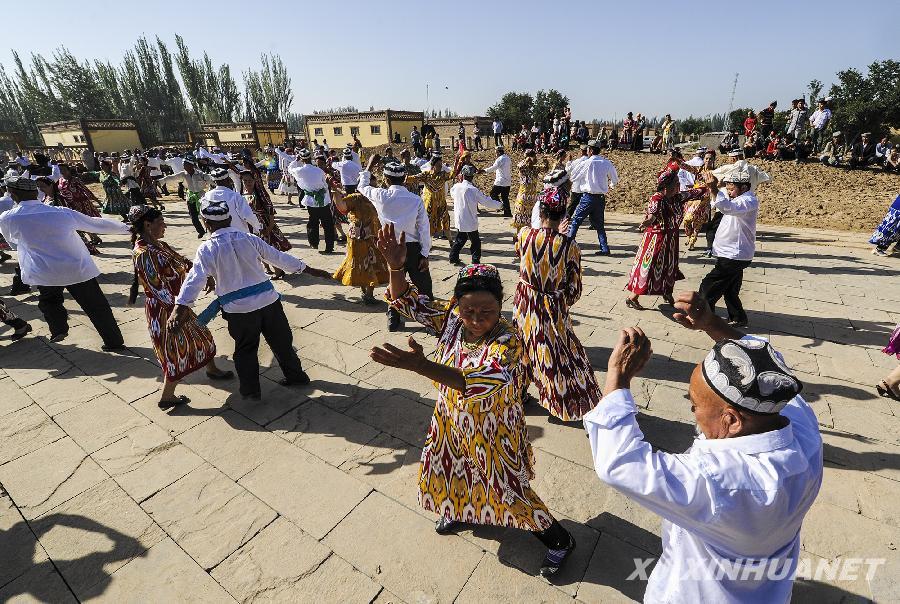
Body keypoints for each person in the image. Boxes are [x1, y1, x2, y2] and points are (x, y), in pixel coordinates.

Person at [585, 291, 822, 603]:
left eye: (694, 406)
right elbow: (767, 363)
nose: (693, 413)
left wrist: (617, 380)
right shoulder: (801, 431)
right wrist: (713, 325)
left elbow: (620, 465)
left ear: (732, 420)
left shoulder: (717, 482)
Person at [371, 226, 576, 578]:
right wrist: (395, 267)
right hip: (451, 421)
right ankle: (460, 509)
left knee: (507, 486)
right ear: (457, 307)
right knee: (451, 472)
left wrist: (423, 366)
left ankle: (558, 539)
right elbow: (408, 301)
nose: (477, 319)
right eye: (469, 311)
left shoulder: (509, 340)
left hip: (492, 429)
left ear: (501, 307)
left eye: (487, 311)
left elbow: (480, 380)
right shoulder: (451, 321)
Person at [169, 197, 332, 400]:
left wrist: (180, 306)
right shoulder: (249, 238)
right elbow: (279, 258)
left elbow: (195, 279)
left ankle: (251, 390)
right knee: (282, 343)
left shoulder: (207, 249)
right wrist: (309, 269)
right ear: (229, 220)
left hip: (239, 311)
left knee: (245, 350)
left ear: (206, 223)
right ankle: (296, 376)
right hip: (269, 302)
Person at [0, 176, 129, 347]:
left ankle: (59, 329)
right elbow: (95, 224)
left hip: (45, 271)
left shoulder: (8, 218)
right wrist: (129, 229)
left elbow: (13, 243)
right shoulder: (60, 212)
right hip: (77, 268)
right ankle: (114, 342)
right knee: (97, 307)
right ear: (35, 192)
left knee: (49, 302)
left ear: (12, 194)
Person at [127, 205, 234, 409]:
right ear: (147, 225)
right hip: (165, 311)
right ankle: (167, 396)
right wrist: (179, 310)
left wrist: (205, 276)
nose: (164, 226)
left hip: (176, 306)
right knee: (175, 351)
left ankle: (211, 369)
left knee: (202, 336)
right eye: (160, 222)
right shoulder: (143, 253)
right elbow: (156, 288)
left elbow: (184, 262)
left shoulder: (160, 245)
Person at [515, 171, 600, 421]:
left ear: (540, 213)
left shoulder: (523, 235)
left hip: (524, 304)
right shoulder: (569, 246)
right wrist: (558, 298)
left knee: (522, 349)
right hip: (552, 308)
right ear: (563, 215)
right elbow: (575, 290)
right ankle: (560, 400)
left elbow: (522, 257)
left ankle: (518, 393)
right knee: (556, 353)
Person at [359, 157, 432, 331]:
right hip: (413, 248)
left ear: (386, 179)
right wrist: (425, 254)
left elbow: (362, 187)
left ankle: (393, 318)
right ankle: (430, 318)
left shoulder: (380, 195)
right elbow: (424, 229)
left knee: (394, 282)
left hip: (390, 248)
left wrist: (368, 167)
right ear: (405, 179)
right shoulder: (415, 200)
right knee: (424, 285)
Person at [625, 164, 709, 310]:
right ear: (666, 186)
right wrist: (647, 222)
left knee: (670, 267)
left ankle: (667, 293)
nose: (679, 185)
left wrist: (709, 185)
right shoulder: (657, 198)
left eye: (678, 183)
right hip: (655, 239)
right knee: (650, 268)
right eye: (676, 183)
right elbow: (652, 215)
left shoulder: (677, 197)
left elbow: (695, 193)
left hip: (671, 239)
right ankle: (632, 297)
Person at [699, 162, 764, 327]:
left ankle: (705, 318)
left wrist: (714, 188)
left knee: (708, 287)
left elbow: (727, 207)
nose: (728, 192)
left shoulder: (748, 201)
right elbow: (721, 203)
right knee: (730, 289)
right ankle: (738, 317)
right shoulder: (738, 198)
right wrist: (716, 187)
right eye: (727, 189)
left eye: (731, 188)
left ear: (744, 187)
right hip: (733, 254)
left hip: (734, 255)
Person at [331, 189, 388, 305]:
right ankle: (365, 292)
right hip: (358, 239)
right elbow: (342, 207)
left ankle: (369, 294)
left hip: (374, 237)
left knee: (374, 264)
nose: (372, 186)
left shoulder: (377, 196)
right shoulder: (355, 198)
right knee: (360, 265)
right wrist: (334, 192)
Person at [567, 139, 619, 255]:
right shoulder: (606, 162)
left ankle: (569, 245)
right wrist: (610, 185)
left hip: (588, 197)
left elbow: (573, 176)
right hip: (600, 197)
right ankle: (604, 248)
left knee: (576, 221)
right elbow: (615, 179)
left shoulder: (587, 163)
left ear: (589, 150)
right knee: (599, 225)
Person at [240, 170, 291, 277]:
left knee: (268, 249)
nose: (247, 183)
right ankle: (267, 268)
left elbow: (271, 211)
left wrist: (270, 227)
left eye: (250, 180)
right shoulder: (240, 195)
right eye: (245, 181)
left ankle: (278, 271)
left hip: (264, 225)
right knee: (257, 249)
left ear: (254, 181)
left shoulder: (261, 194)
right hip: (250, 227)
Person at [448, 165, 502, 265]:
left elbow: (451, 193)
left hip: (460, 218)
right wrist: (499, 205)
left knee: (461, 238)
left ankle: (453, 257)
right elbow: (486, 201)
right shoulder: (473, 190)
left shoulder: (456, 187)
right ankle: (475, 260)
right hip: (470, 220)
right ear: (472, 177)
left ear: (463, 175)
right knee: (475, 242)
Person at [289, 148, 336, 254]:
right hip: (323, 200)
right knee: (328, 224)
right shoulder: (319, 171)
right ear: (310, 158)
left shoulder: (299, 171)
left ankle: (314, 242)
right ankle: (329, 246)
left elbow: (290, 169)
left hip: (311, 201)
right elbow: (324, 185)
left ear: (301, 159)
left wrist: (295, 161)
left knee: (313, 222)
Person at [156, 158, 215, 238]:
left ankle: (210, 231)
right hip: (190, 197)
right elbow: (171, 177)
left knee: (205, 215)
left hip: (202, 197)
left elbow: (211, 179)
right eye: (183, 164)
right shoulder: (183, 174)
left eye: (185, 164)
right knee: (193, 217)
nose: (183, 166)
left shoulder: (201, 174)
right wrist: (159, 181)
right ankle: (201, 231)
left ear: (191, 165)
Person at [406, 151, 453, 240]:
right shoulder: (426, 174)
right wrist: (403, 178)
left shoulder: (443, 174)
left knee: (446, 221)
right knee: (428, 223)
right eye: (438, 165)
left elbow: (452, 174)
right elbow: (414, 178)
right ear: (433, 165)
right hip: (430, 204)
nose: (440, 167)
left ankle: (451, 241)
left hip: (441, 203)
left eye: (441, 165)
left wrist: (459, 162)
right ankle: (428, 243)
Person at [200, 168, 261, 234]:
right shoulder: (235, 196)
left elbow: (203, 215)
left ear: (214, 182)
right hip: (238, 235)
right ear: (229, 180)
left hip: (218, 236)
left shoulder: (206, 196)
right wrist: (258, 228)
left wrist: (210, 232)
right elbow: (248, 216)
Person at [682, 150, 717, 250]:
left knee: (698, 222)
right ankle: (689, 236)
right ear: (703, 159)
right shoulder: (699, 170)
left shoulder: (715, 172)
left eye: (710, 159)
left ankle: (693, 241)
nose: (708, 160)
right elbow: (687, 168)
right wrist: (678, 161)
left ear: (714, 160)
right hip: (693, 199)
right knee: (687, 220)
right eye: (706, 158)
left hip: (704, 200)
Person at [510, 149, 548, 236]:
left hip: (532, 198)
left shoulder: (535, 169)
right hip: (523, 197)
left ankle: (527, 236)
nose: (534, 160)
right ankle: (518, 236)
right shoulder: (523, 169)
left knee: (531, 218)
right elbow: (519, 165)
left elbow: (545, 169)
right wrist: (528, 158)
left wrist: (545, 161)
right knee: (521, 218)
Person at [481, 145, 512, 217]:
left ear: (498, 152)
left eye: (496, 152)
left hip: (500, 181)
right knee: (505, 197)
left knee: (493, 194)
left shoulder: (500, 159)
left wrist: (484, 170)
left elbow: (493, 168)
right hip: (507, 181)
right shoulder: (507, 158)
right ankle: (507, 212)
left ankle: (501, 206)